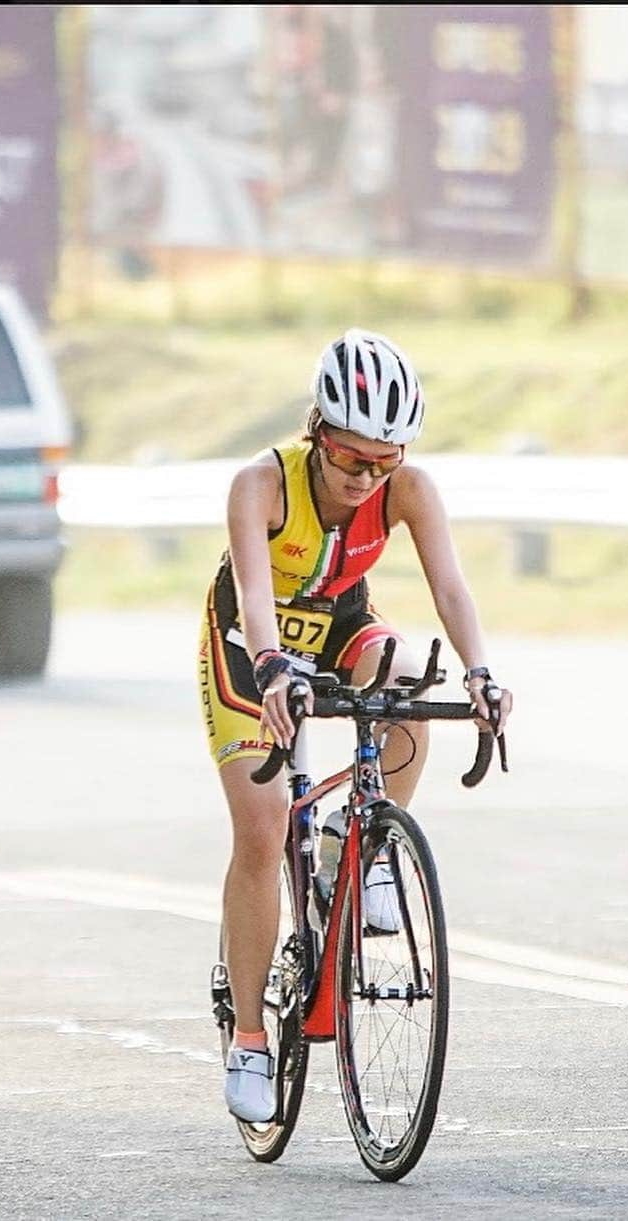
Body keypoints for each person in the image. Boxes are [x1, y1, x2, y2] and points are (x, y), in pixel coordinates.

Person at [197, 329, 513, 1123]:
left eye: (384, 463)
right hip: (249, 643)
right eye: (352, 462)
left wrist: (482, 674)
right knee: (264, 830)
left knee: (410, 678)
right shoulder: (260, 483)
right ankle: (247, 1036)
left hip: (340, 628)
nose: (367, 478)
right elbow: (254, 591)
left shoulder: (408, 488)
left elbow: (451, 589)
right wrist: (271, 668)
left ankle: (359, 835)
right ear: (317, 432)